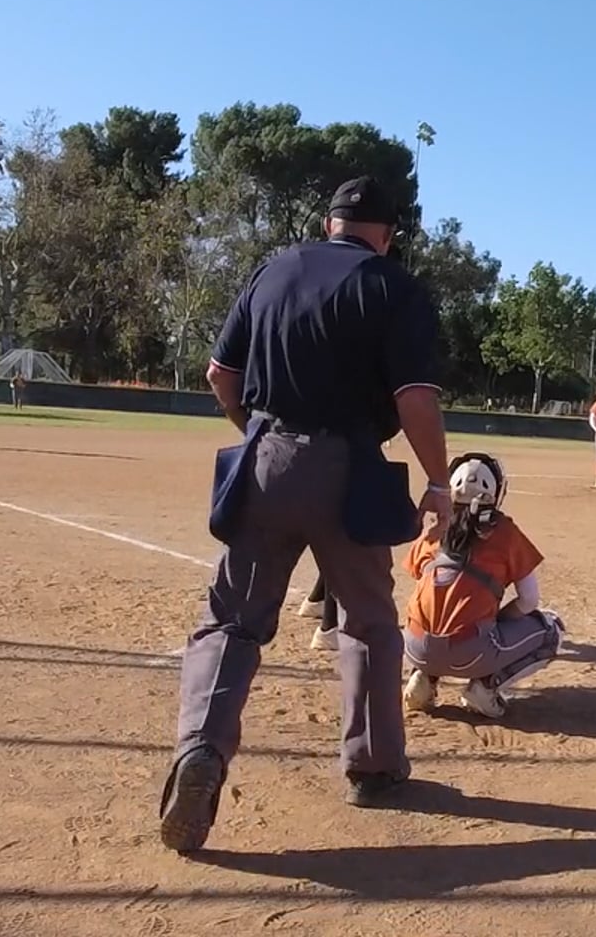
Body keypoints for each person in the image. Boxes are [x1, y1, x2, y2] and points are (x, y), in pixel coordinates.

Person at [159, 176, 453, 854]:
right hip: (349, 467)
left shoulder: (274, 268)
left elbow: (220, 374)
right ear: (387, 235)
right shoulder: (392, 286)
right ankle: (373, 769)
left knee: (232, 621)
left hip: (265, 456)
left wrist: (256, 433)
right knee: (369, 624)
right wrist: (439, 482)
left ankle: (201, 748)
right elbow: (414, 397)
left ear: (329, 225)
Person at [400, 453, 566, 719]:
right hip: (471, 653)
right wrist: (496, 621)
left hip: (414, 646)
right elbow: (528, 600)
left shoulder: (435, 529)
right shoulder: (504, 532)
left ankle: (423, 676)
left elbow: (424, 583)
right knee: (551, 629)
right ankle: (486, 686)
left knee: (435, 616)